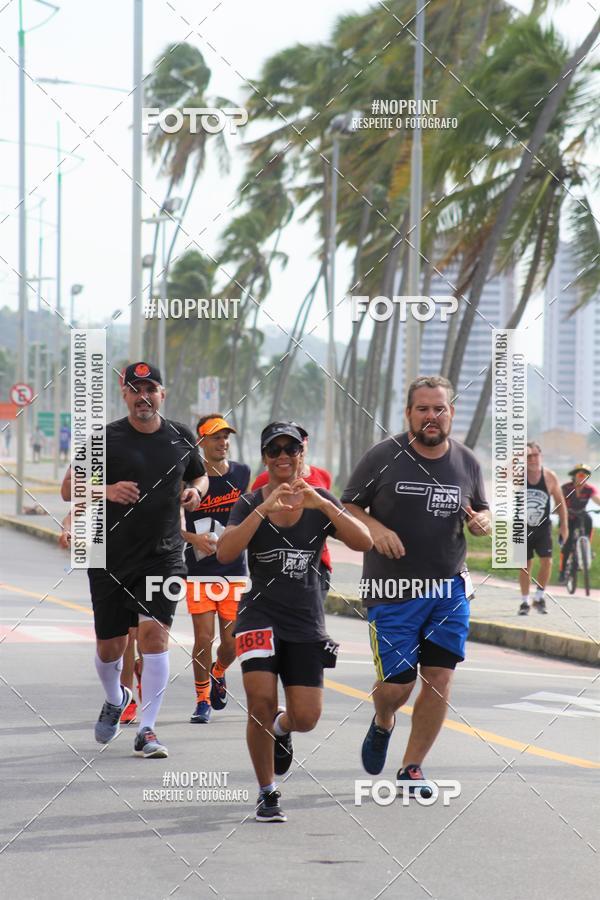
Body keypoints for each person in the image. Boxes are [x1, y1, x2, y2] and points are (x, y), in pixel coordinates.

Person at [341, 375, 491, 794]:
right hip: (392, 591)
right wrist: (375, 528)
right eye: (422, 408)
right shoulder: (382, 456)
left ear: (451, 413)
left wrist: (482, 521)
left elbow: (480, 510)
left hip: (448, 589)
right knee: (397, 686)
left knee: (440, 679)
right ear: (408, 413)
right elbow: (348, 505)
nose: (431, 416)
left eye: (439, 408)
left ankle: (411, 769)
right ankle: (384, 719)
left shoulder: (467, 462)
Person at [217, 422, 372, 822]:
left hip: (305, 620)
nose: (283, 457)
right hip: (259, 617)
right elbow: (226, 551)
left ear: (302, 454)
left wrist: (325, 506)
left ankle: (282, 730)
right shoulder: (251, 502)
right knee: (259, 702)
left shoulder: (320, 499)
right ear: (265, 457)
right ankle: (267, 791)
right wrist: (264, 510)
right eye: (274, 451)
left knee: (306, 717)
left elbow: (363, 541)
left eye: (290, 450)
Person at [60, 361, 207, 758]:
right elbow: (67, 488)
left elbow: (199, 476)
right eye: (135, 389)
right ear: (124, 394)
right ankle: (116, 695)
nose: (143, 396)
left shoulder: (181, 436)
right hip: (109, 556)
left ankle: (147, 728)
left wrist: (195, 492)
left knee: (154, 634)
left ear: (163, 394)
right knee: (109, 647)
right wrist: (106, 489)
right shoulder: (105, 438)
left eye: (151, 388)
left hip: (163, 555)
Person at [181, 414, 250, 724]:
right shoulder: (188, 481)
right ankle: (201, 699)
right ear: (201, 442)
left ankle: (218, 672)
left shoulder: (242, 474)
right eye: (215, 437)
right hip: (199, 571)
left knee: (232, 643)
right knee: (203, 638)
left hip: (235, 571)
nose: (222, 443)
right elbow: (169, 522)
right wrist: (192, 537)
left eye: (226, 437)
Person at [58, 511, 142, 723]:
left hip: (144, 558)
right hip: (106, 562)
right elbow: (77, 507)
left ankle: (139, 673)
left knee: (143, 633)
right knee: (126, 635)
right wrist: (67, 528)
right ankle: (126, 697)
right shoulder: (101, 482)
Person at [251, 422, 333, 600]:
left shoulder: (323, 476)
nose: (284, 453)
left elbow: (356, 537)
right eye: (276, 449)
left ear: (304, 446)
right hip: (275, 564)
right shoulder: (263, 481)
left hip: (317, 564)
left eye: (294, 446)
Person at [519, 441, 568, 615]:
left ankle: (539, 597)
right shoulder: (518, 474)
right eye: (528, 456)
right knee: (525, 565)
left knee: (547, 561)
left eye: (535, 455)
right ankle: (524, 602)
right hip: (522, 527)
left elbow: (560, 503)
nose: (532, 459)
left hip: (543, 528)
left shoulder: (549, 476)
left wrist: (564, 526)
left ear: (541, 456)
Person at [559, 463, 600, 582]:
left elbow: (596, 498)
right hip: (568, 517)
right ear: (574, 476)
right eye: (580, 474)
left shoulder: (589, 489)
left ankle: (586, 547)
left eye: (585, 475)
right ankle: (562, 573)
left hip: (581, 515)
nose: (582, 477)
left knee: (589, 519)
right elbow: (559, 501)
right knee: (567, 544)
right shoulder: (566, 488)